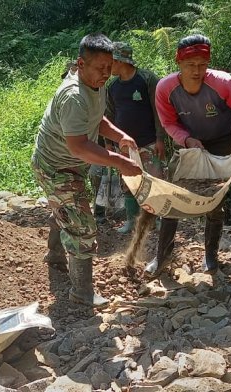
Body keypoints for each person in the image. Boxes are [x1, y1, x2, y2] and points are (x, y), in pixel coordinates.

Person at [32, 33, 142, 307]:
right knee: (82, 225)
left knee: (68, 208)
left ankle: (55, 254)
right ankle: (81, 293)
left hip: (70, 163)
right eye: (99, 68)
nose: (106, 74)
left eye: (109, 68)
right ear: (81, 64)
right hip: (54, 166)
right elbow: (79, 146)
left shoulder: (95, 83)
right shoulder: (73, 96)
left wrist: (120, 136)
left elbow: (97, 117)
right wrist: (118, 161)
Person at [150, 34, 231, 275]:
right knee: (173, 199)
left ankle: (210, 258)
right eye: (190, 65)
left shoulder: (222, 82)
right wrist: (187, 140)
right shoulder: (165, 88)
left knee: (215, 203)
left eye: (202, 64)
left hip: (223, 145)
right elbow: (169, 123)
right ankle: (163, 257)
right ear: (178, 63)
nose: (197, 70)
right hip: (190, 147)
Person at [105, 42, 166, 234]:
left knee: (154, 180)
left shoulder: (146, 79)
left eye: (111, 62)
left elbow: (159, 111)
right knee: (128, 182)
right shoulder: (112, 86)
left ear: (120, 61)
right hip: (124, 147)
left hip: (148, 141)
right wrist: (109, 143)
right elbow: (109, 114)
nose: (108, 67)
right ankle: (131, 221)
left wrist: (160, 138)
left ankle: (154, 220)